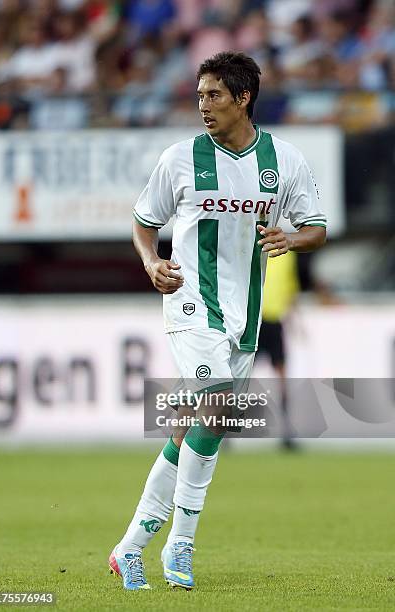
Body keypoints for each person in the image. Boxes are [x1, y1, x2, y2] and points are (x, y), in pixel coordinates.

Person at [109, 51, 327, 591]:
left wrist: (291, 237)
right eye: (200, 95)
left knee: (192, 427)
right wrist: (151, 261)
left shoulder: (284, 159)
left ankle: (130, 546)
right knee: (220, 406)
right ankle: (180, 545)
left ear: (243, 98)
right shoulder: (180, 158)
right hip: (190, 302)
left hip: (244, 313)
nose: (203, 106)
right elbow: (143, 222)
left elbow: (316, 226)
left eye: (214, 96)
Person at [255, 250, 300, 449]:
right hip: (251, 320)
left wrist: (294, 317)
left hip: (273, 320)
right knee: (237, 377)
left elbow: (289, 286)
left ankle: (287, 431)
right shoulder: (250, 242)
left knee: (282, 377)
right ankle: (222, 430)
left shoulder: (287, 253)